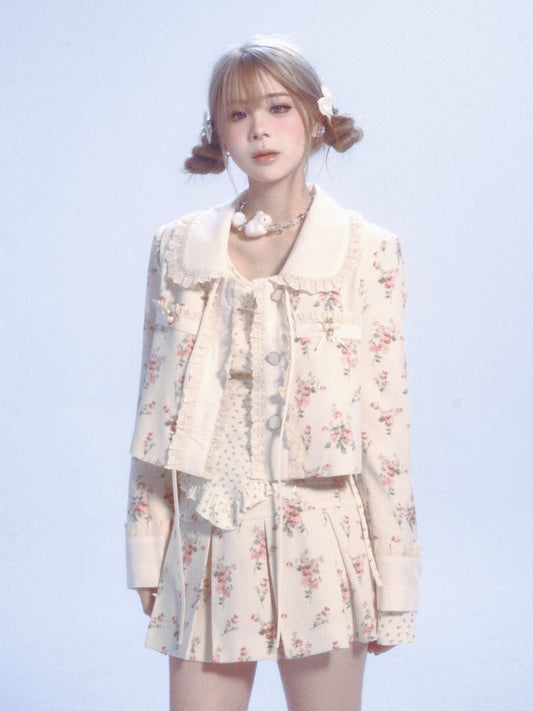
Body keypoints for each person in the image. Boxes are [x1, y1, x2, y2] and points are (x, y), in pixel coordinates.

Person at [125, 36, 421, 711]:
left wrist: (395, 582)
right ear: (218, 132)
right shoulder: (177, 250)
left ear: (316, 115)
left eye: (278, 107)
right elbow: (152, 409)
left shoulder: (368, 252)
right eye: (237, 114)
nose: (259, 128)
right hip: (204, 537)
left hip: (324, 541)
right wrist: (148, 542)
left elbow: (385, 423)